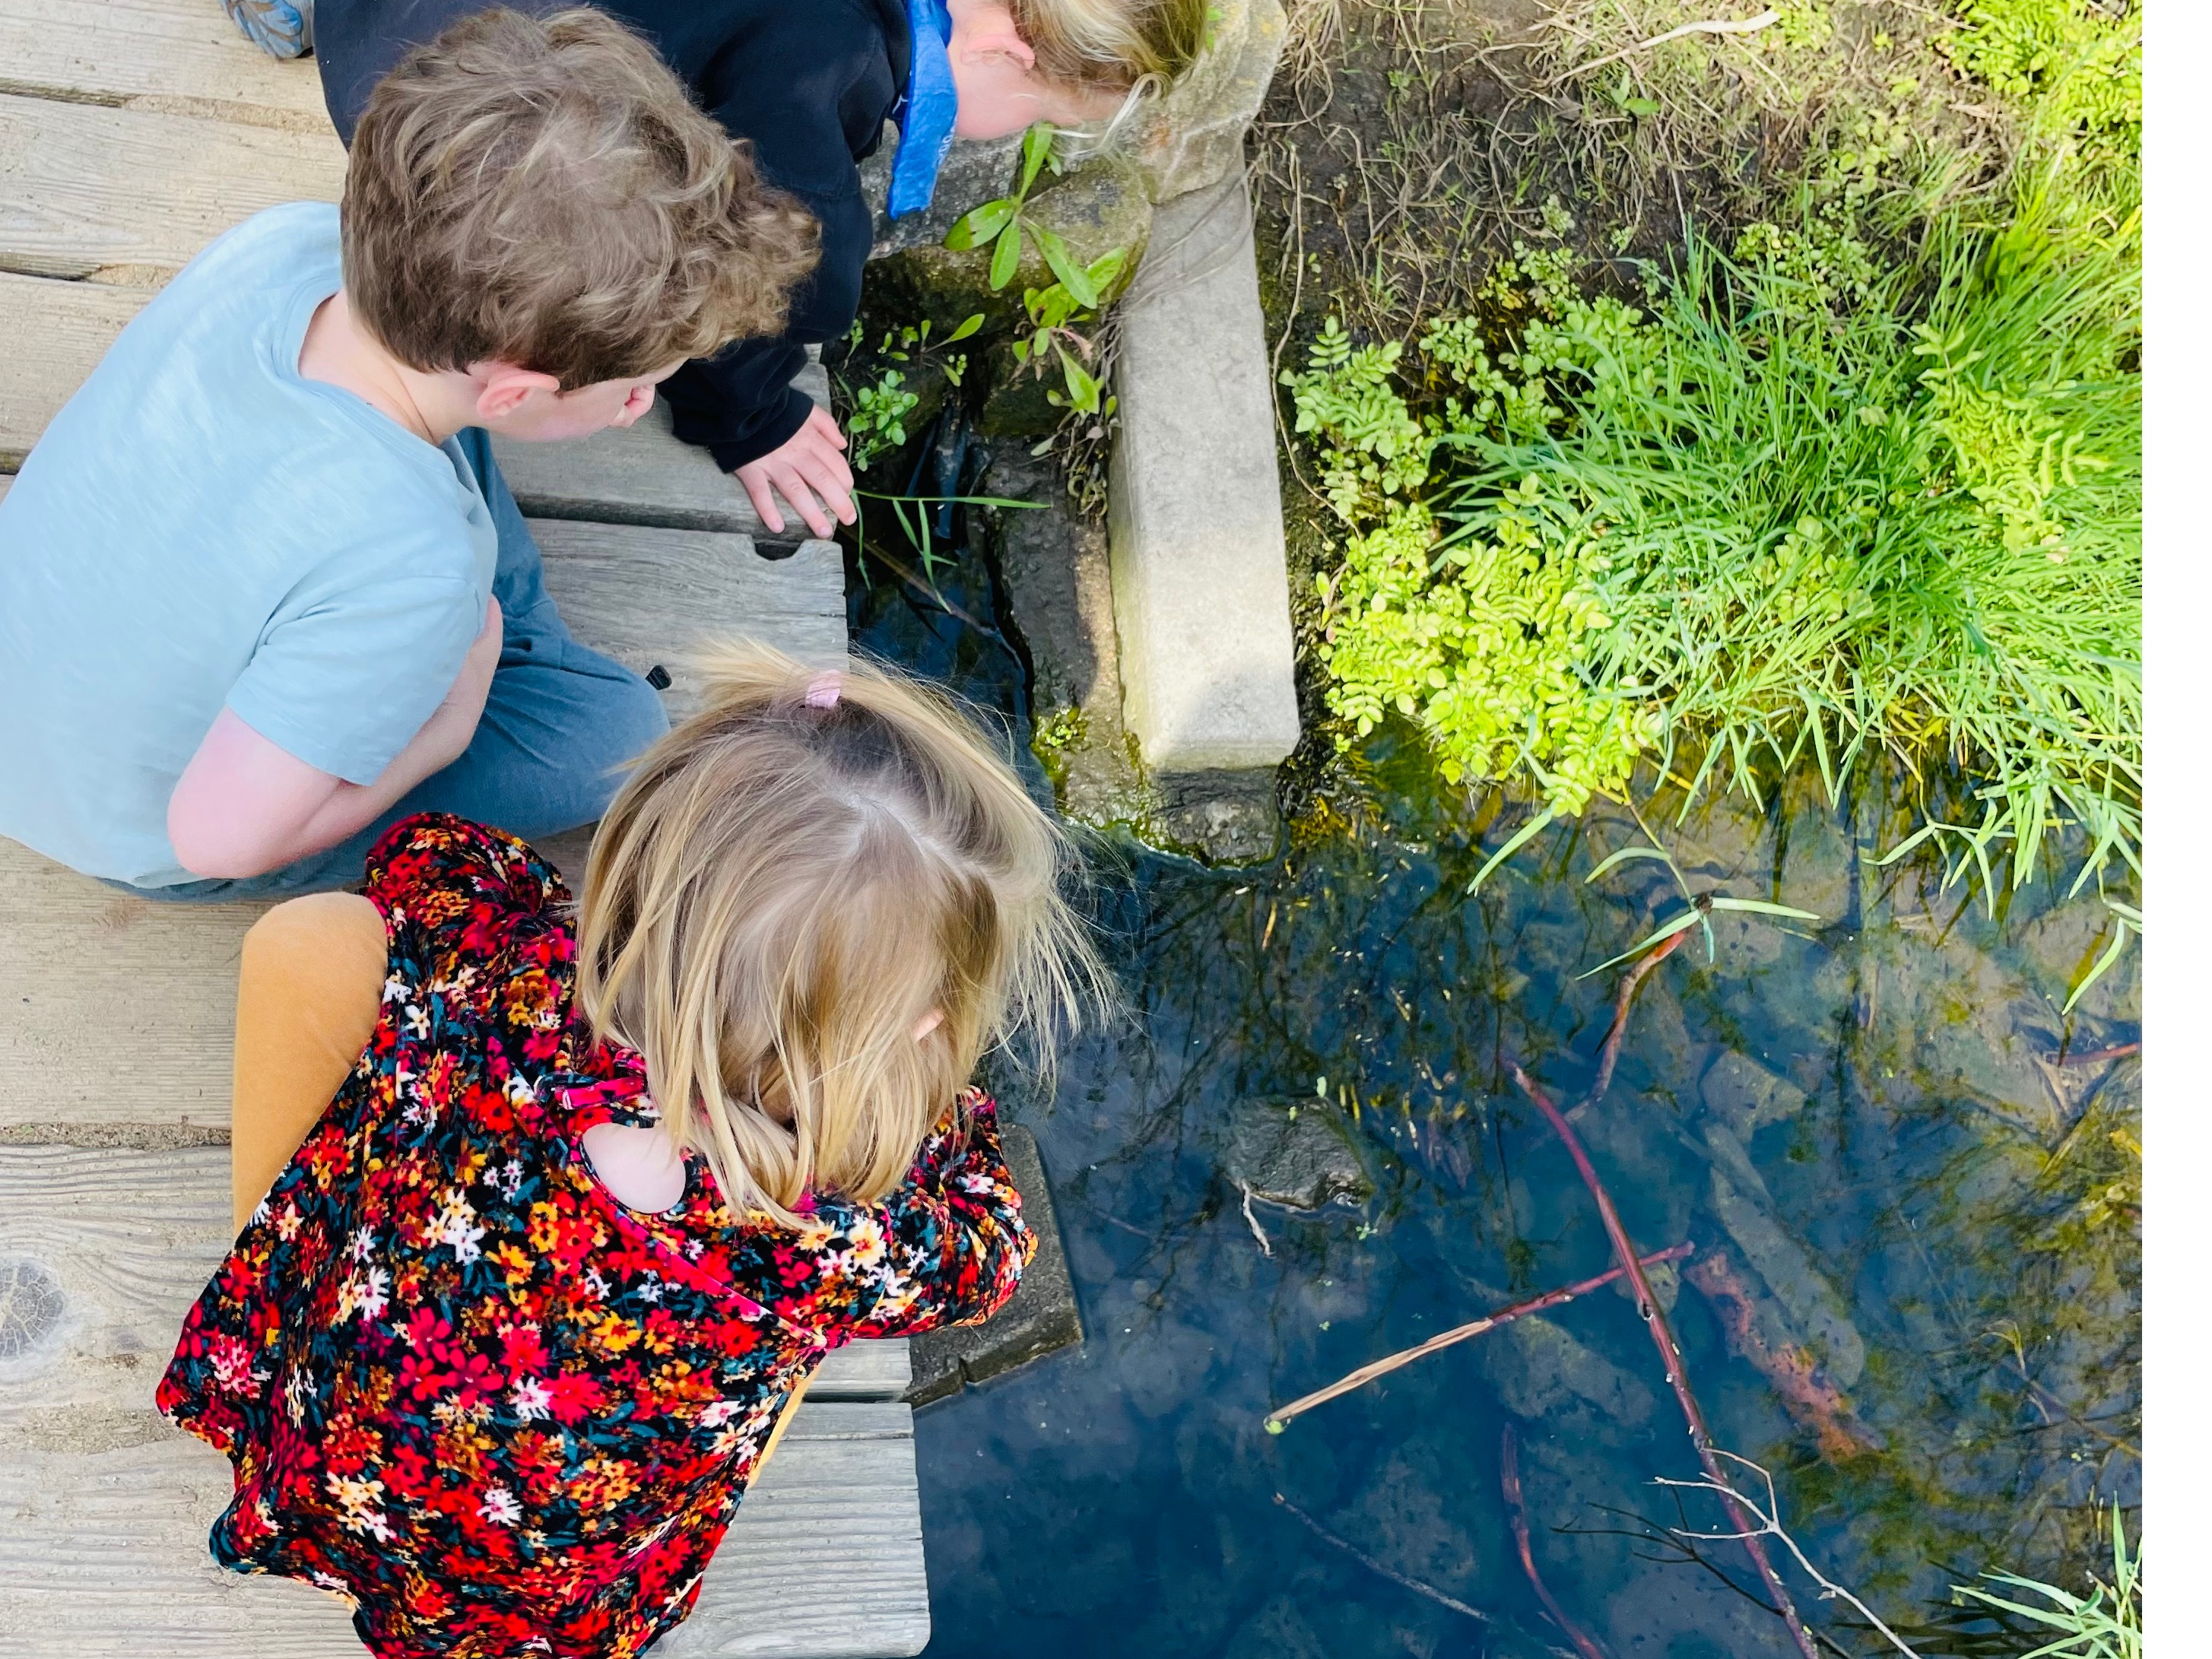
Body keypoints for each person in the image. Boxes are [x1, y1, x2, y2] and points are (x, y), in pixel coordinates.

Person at [159, 642, 1106, 1658]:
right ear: (916, 1027)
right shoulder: (844, 1238)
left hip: (332, 1443)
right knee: (766, 1371)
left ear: (634, 864)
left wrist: (560, 915)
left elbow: (423, 856)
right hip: (527, 1583)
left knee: (340, 969)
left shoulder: (509, 973)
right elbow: (992, 1257)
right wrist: (945, 1115)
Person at [0, 9, 817, 898]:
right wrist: (445, 727)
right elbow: (215, 840)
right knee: (609, 734)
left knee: (442, 511)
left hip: (63, 674)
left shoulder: (287, 241)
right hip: (150, 825)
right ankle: (481, 651)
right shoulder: (409, 570)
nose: (636, 408)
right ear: (513, 392)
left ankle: (476, 636)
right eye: (632, 387)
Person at [298, 0, 1214, 538]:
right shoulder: (829, 65)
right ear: (1000, 48)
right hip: (432, 117)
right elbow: (784, 277)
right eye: (1038, 114)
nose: (1024, 129)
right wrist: (751, 418)